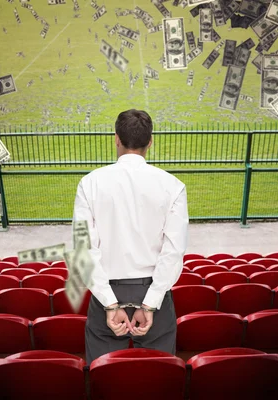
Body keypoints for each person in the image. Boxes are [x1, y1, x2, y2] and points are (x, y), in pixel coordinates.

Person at [73, 109, 188, 365]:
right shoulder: (172, 186)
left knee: (104, 375)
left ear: (116, 139)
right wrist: (150, 305)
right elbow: (173, 251)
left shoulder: (90, 184)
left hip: (107, 291)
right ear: (150, 141)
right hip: (154, 292)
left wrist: (110, 304)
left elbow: (83, 250)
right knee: (158, 376)